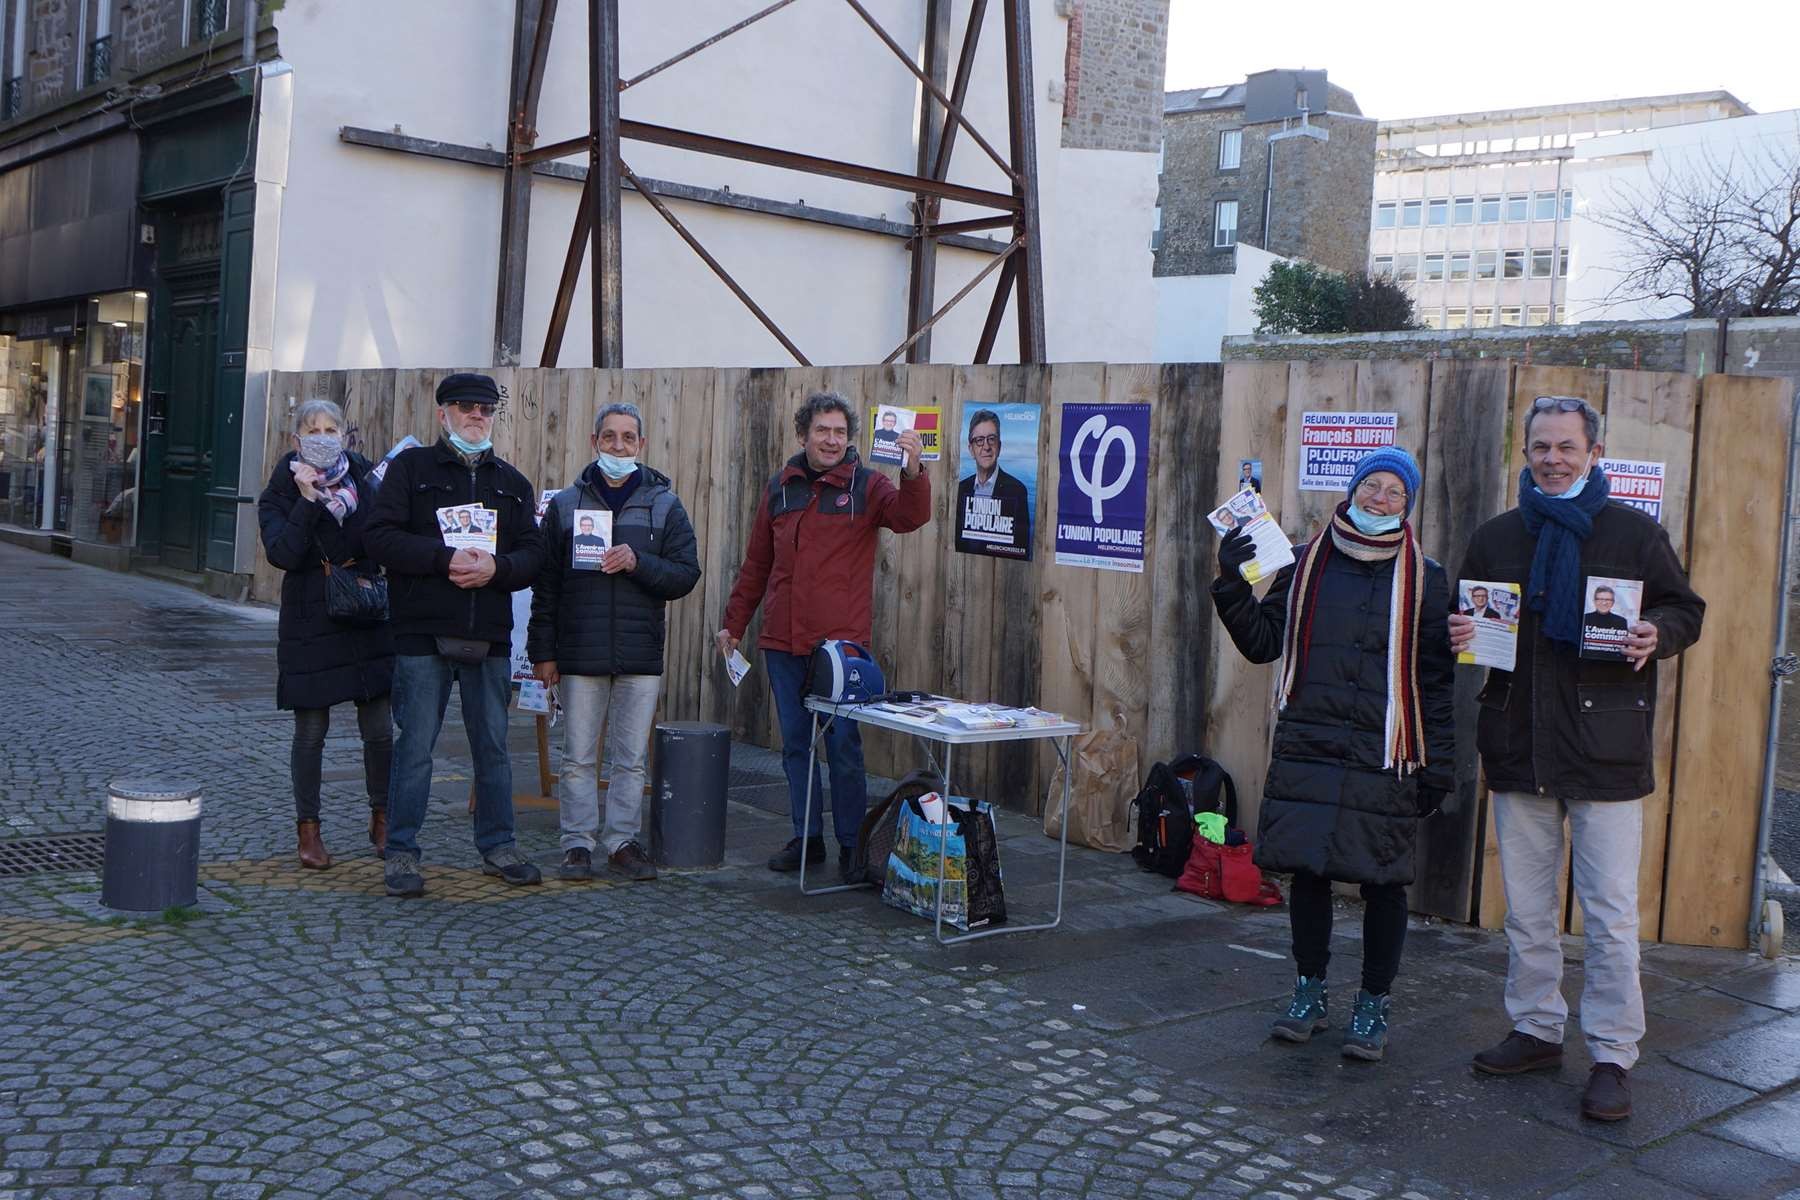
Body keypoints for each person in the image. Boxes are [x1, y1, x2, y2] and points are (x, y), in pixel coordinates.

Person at [1453, 395, 1704, 1122]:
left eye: (1567, 446)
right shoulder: (1498, 538)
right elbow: (1465, 620)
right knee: (1527, 912)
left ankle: (1611, 1055)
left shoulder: (1633, 533)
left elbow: (1685, 608)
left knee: (1610, 914)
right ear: (1525, 454)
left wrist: (1658, 629)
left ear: (1595, 453)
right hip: (1517, 743)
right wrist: (1461, 626)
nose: (1553, 459)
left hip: (1605, 750)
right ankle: (1535, 1028)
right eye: (1541, 447)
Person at [1212, 447, 1455, 1062]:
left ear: (1409, 504)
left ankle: (1373, 1004)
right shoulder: (1301, 563)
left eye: (1394, 491)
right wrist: (1230, 584)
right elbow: (1264, 643)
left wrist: (1439, 763)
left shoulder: (1428, 578)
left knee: (1385, 885)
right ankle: (1309, 991)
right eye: (1371, 485)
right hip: (1312, 744)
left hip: (1387, 753)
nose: (1380, 498)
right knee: (1310, 873)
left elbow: (1434, 681)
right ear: (1350, 491)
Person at [716, 391, 930, 880]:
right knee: (795, 746)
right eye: (822, 431)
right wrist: (734, 622)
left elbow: (910, 517)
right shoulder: (781, 487)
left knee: (843, 750)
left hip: (840, 652)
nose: (831, 440)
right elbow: (757, 565)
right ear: (802, 435)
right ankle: (806, 838)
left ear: (849, 438)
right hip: (782, 643)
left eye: (839, 432)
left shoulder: (868, 486)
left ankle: (853, 846)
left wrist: (913, 472)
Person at [364, 372, 548, 897]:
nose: (477, 416)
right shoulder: (411, 468)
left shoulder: (511, 483)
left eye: (486, 409)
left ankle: (499, 845)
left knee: (492, 747)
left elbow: (534, 553)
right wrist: (444, 559)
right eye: (466, 407)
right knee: (416, 747)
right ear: (442, 412)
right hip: (423, 633)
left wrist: (499, 569)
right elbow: (379, 537)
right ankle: (401, 852)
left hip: (487, 634)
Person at [530, 402, 700, 883]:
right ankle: (577, 844)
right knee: (578, 757)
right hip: (580, 653)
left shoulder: (665, 504)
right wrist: (543, 652)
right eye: (610, 437)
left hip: (639, 655)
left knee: (629, 759)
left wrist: (639, 562)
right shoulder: (566, 505)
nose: (619, 446)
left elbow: (686, 575)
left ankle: (622, 841)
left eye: (628, 438)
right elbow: (546, 587)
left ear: (641, 445)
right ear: (595, 442)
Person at [257, 399, 395, 870]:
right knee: (310, 731)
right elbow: (283, 554)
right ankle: (309, 830)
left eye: (330, 428)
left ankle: (383, 816)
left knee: (379, 728)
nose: (321, 435)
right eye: (312, 429)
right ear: (296, 439)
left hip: (364, 609)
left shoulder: (367, 480)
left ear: (344, 435)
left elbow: (382, 539)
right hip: (309, 618)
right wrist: (307, 501)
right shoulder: (279, 493)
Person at [953, 409, 1031, 557]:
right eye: (979, 440)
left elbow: (1021, 549)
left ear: (999, 446)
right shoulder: (961, 489)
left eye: (991, 439)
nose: (986, 447)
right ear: (971, 449)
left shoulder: (1017, 490)